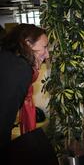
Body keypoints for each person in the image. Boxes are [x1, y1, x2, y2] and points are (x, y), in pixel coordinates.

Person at [0, 23, 49, 154]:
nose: (47, 55)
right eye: (44, 47)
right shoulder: (21, 69)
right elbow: (4, 118)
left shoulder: (8, 58)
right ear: (28, 44)